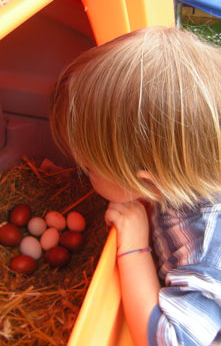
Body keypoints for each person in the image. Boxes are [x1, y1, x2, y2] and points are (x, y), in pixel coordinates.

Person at [49, 26, 221, 346]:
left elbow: (168, 341)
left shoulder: (209, 247)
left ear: (146, 181)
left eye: (88, 168)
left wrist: (135, 249)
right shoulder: (184, 170)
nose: (83, 173)